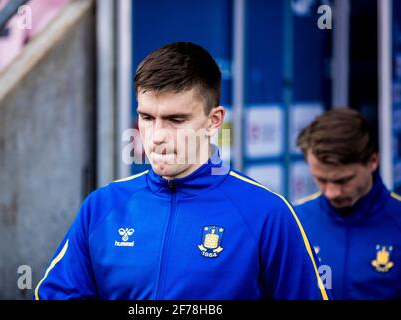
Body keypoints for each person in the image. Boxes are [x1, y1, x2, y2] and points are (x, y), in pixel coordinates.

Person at [34, 42, 328, 300]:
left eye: (175, 119)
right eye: (147, 117)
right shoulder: (102, 207)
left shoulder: (268, 214)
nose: (157, 135)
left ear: (214, 121)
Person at [295, 108, 401, 299]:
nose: (331, 192)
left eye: (343, 180)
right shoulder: (294, 221)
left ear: (373, 161)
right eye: (320, 179)